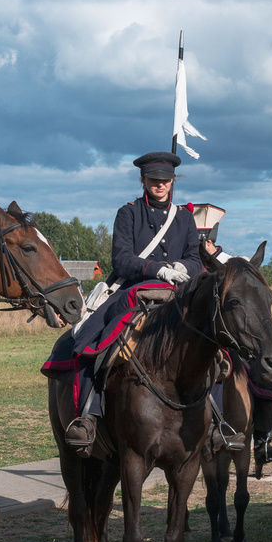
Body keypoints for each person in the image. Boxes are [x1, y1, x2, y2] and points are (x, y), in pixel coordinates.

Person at [50, 152, 206, 454]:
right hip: (133, 290)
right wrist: (156, 269)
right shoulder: (128, 213)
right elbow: (121, 259)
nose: (159, 185)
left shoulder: (185, 217)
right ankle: (89, 415)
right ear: (143, 181)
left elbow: (194, 258)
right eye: (153, 180)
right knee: (92, 341)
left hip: (176, 293)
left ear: (173, 181)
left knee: (214, 343)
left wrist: (182, 268)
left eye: (164, 180)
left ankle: (219, 423)